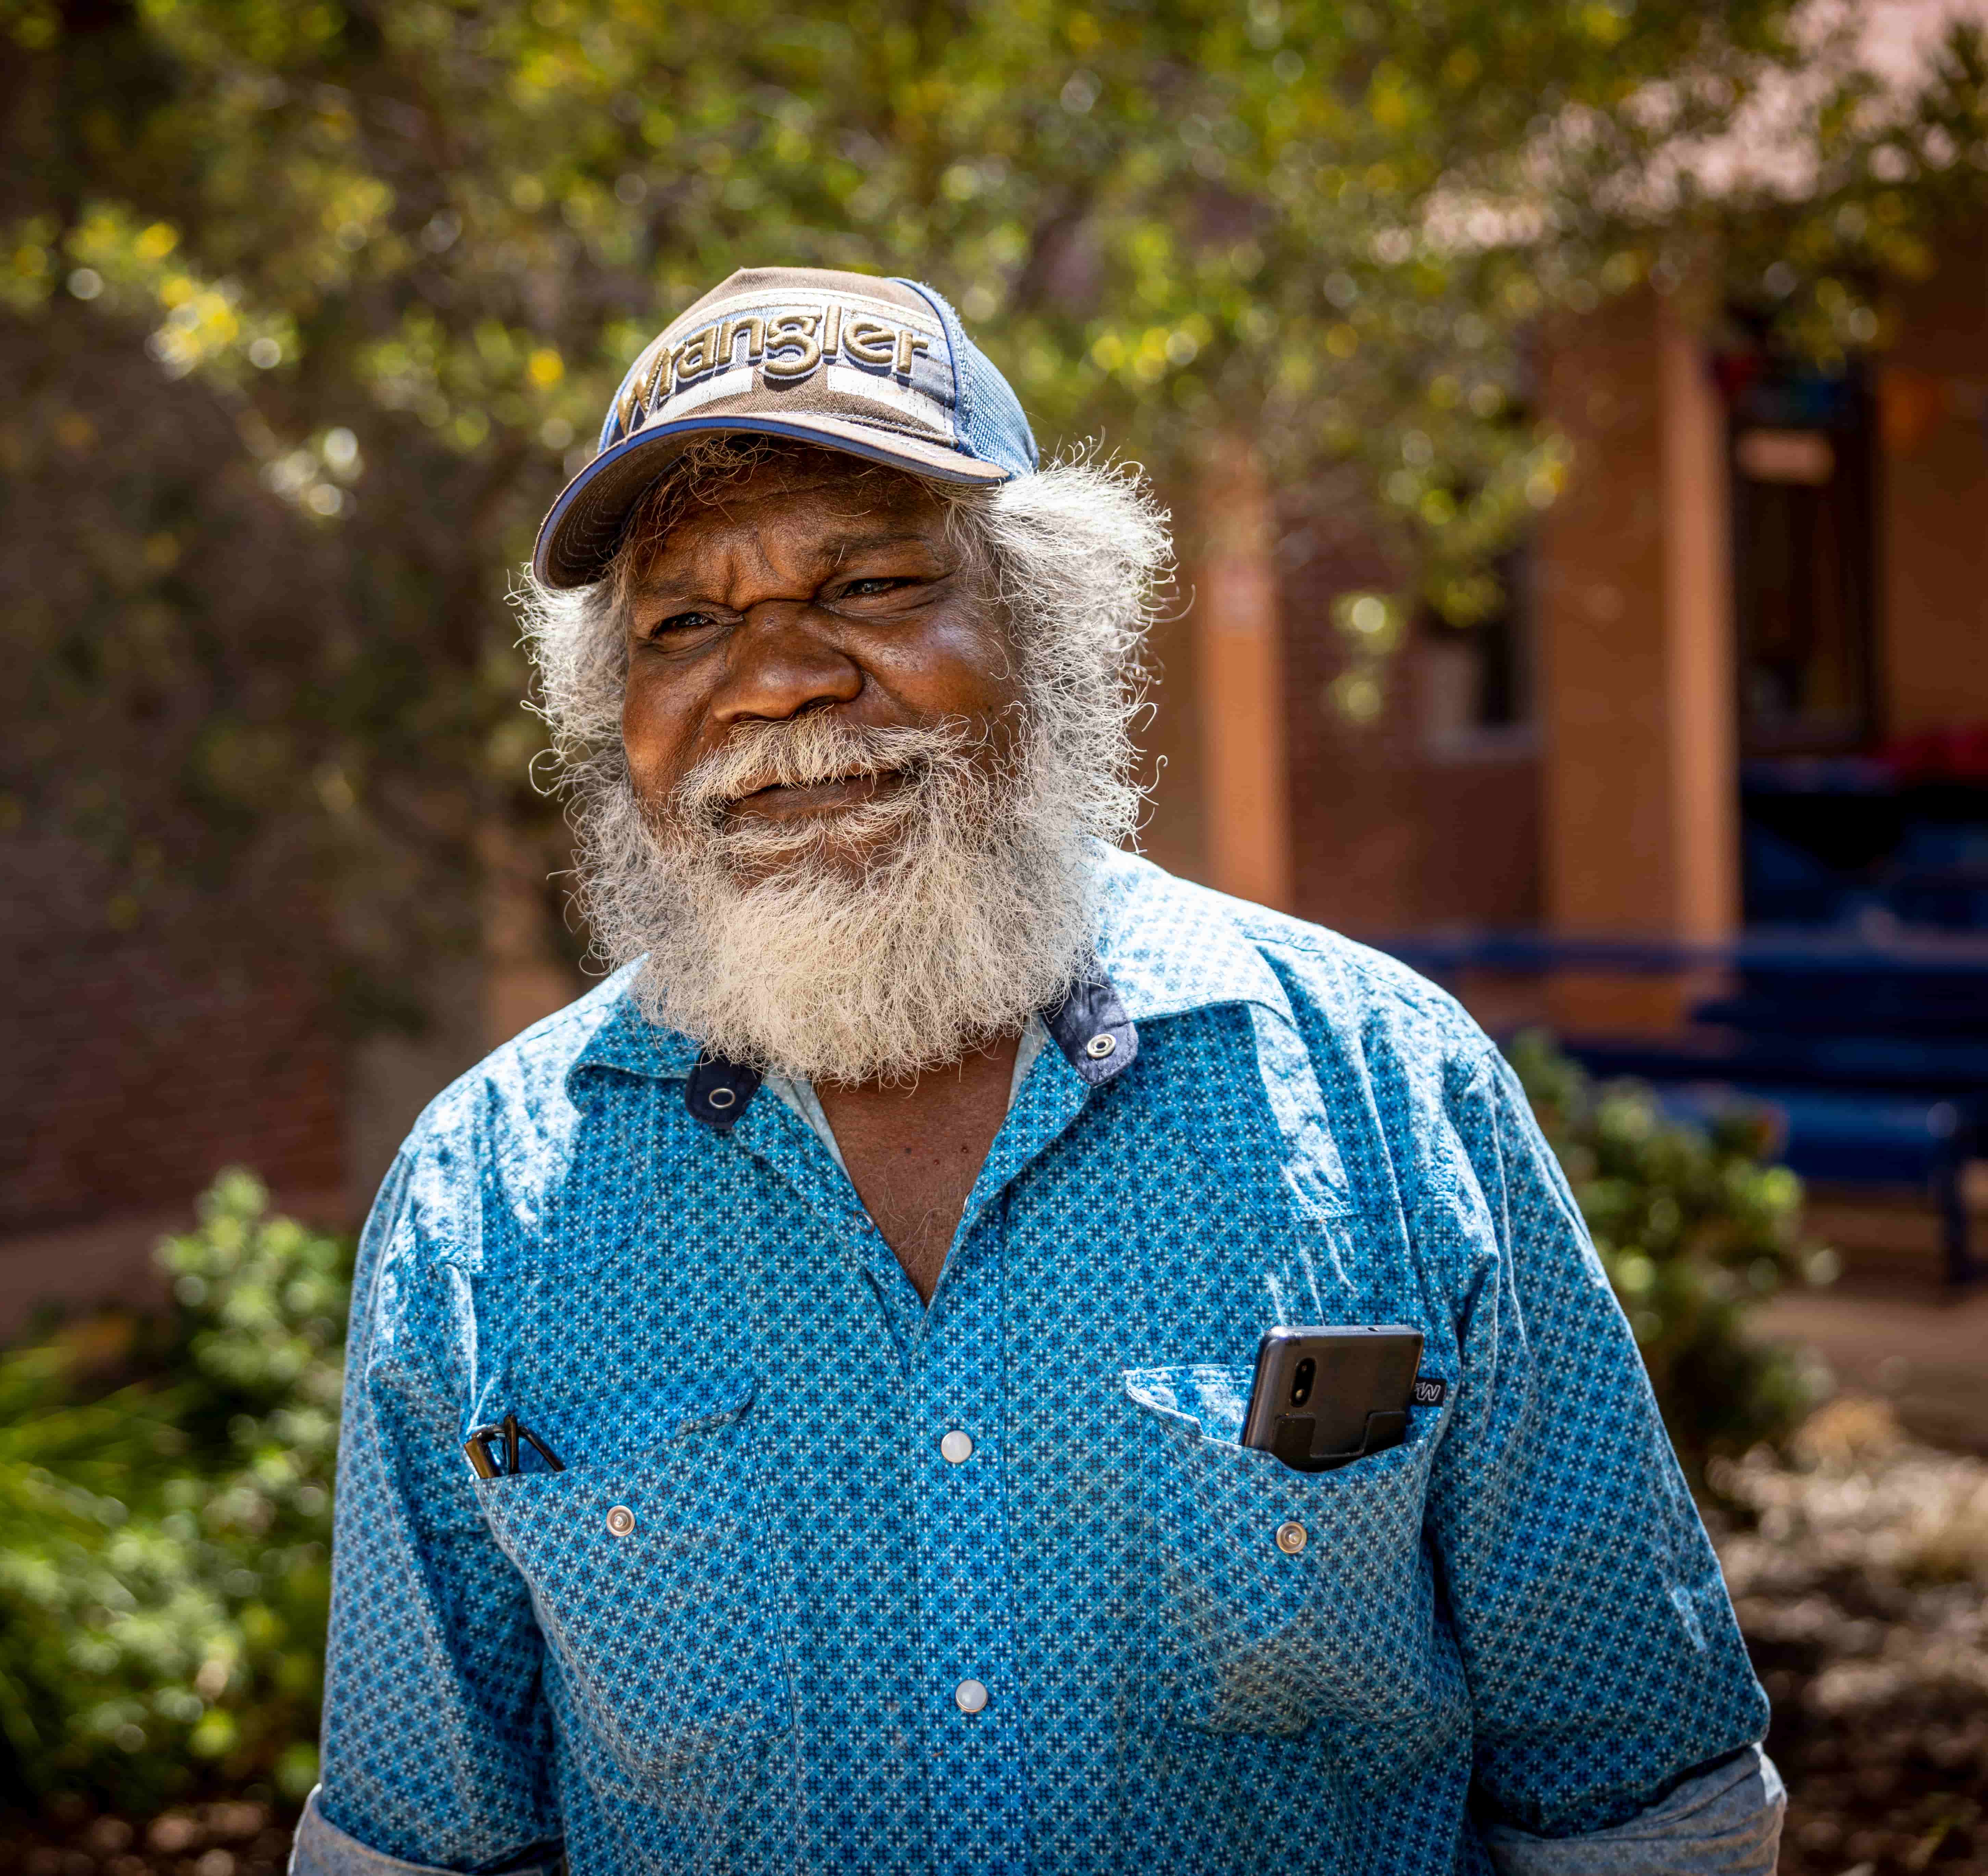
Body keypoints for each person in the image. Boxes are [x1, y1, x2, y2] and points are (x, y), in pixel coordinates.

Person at [292, 267, 1785, 1875]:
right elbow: (421, 1845)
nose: (776, 676)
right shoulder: (481, 1199)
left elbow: (1643, 1806)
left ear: (1042, 630)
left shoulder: (1383, 1089)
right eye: (686, 622)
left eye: (869, 582)